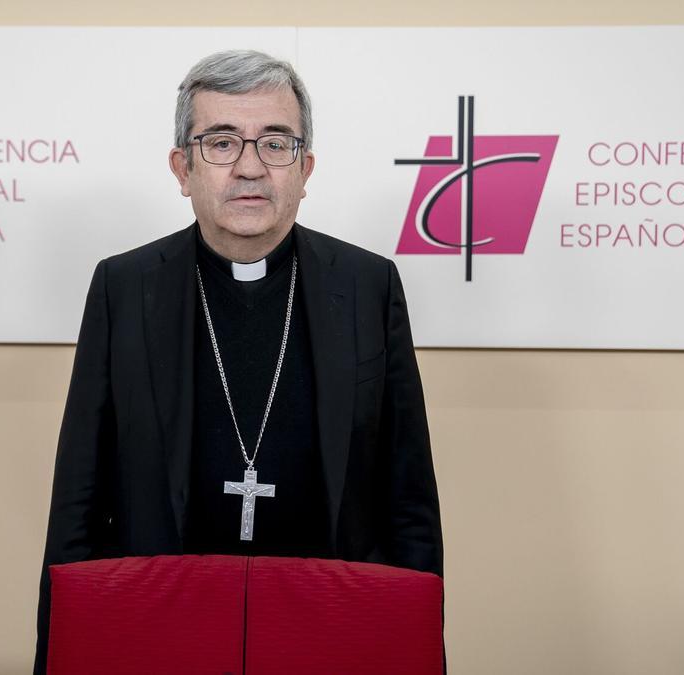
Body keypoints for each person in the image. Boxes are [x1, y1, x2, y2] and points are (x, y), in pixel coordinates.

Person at [34, 49, 442, 673]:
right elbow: (78, 499)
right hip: (162, 628)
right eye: (221, 142)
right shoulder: (125, 287)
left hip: (327, 630)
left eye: (275, 143)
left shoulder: (367, 286)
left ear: (306, 168)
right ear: (182, 167)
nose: (250, 166)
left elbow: (408, 499)